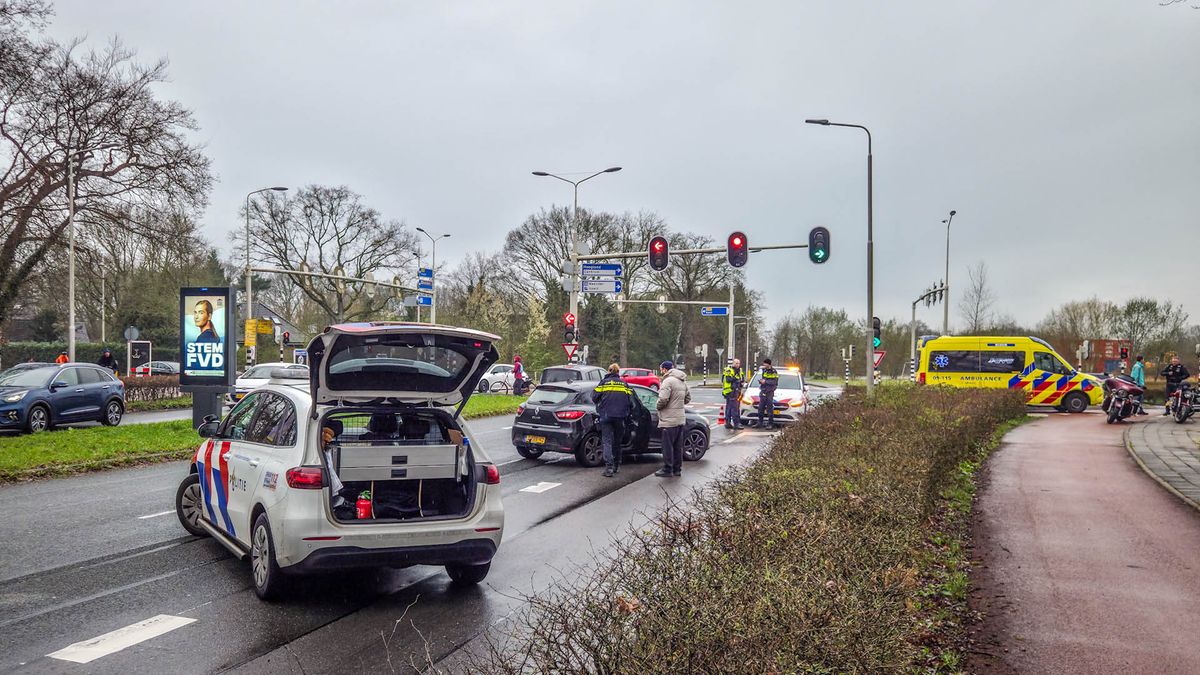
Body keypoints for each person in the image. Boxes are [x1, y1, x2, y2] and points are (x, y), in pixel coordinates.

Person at [593, 363, 636, 477]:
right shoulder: (624, 384)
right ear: (618, 372)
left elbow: (594, 397)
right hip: (620, 417)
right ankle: (617, 465)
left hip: (606, 416)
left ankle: (609, 468)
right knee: (617, 442)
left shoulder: (603, 383)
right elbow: (631, 402)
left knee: (607, 441)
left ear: (609, 371)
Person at [654, 360, 691, 478]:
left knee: (667, 446)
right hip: (680, 419)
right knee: (677, 446)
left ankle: (667, 469)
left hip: (669, 420)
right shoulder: (682, 381)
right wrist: (678, 404)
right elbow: (688, 398)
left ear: (665, 369)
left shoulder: (667, 381)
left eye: (661, 369)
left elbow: (663, 399)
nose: (661, 372)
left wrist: (658, 406)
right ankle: (677, 469)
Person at [722, 358, 745, 430]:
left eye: (738, 363)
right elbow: (728, 380)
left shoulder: (740, 371)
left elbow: (742, 379)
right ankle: (736, 423)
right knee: (734, 408)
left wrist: (740, 382)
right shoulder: (729, 370)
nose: (737, 365)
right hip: (731, 391)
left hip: (736, 391)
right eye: (736, 363)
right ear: (733, 363)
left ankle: (728, 423)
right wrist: (736, 380)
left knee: (730, 408)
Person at [757, 358, 780, 430]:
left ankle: (770, 423)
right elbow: (764, 379)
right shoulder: (764, 370)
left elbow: (774, 382)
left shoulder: (774, 371)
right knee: (760, 408)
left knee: (769, 409)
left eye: (765, 363)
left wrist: (765, 382)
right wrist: (761, 382)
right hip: (763, 391)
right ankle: (760, 422)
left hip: (770, 392)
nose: (764, 365)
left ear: (768, 364)